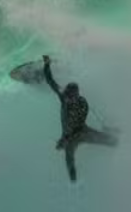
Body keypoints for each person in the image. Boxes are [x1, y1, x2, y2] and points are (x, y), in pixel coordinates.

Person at [42, 54, 117, 182]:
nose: (69, 99)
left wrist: (65, 139)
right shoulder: (63, 95)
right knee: (69, 160)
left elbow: (80, 124)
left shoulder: (82, 103)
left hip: (82, 132)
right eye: (68, 95)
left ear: (76, 95)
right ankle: (73, 182)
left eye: (72, 96)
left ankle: (124, 143)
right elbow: (50, 81)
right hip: (71, 135)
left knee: (110, 141)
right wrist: (47, 64)